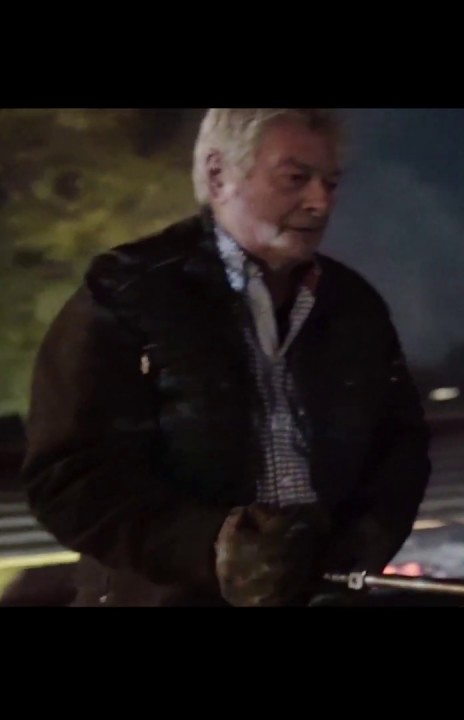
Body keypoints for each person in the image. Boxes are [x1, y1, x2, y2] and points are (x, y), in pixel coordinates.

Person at [18, 108, 433, 606]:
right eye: (295, 178)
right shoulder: (127, 291)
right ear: (218, 175)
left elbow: (401, 451)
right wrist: (212, 547)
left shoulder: (354, 304)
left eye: (331, 182)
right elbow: (67, 476)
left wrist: (347, 559)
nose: (320, 201)